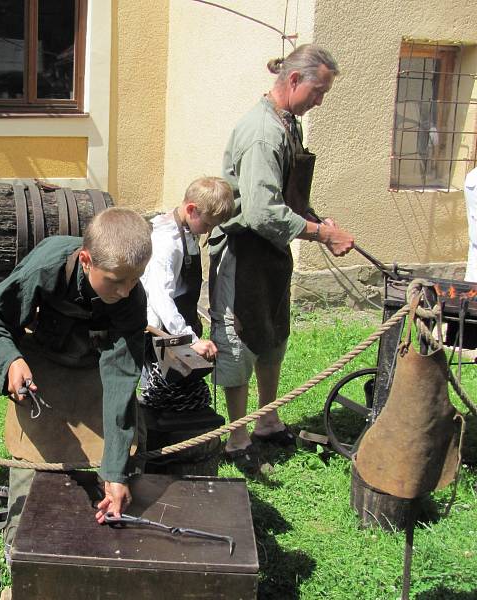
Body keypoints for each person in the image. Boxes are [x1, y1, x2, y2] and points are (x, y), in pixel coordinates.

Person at [0, 207, 152, 557]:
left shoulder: (131, 295)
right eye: (116, 280)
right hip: (39, 368)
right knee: (33, 470)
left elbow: (120, 378)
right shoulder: (45, 268)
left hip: (94, 372)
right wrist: (10, 362)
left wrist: (115, 471)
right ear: (86, 260)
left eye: (135, 279)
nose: (127, 290)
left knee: (121, 461)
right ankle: (19, 544)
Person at [208, 44, 355, 472]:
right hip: (244, 251)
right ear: (293, 81)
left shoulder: (288, 124)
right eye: (317, 91)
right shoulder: (263, 132)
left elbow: (283, 197)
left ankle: (267, 421)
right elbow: (258, 211)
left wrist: (311, 217)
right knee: (240, 340)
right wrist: (322, 234)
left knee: (273, 334)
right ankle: (237, 438)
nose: (319, 100)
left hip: (272, 251)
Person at [139, 176, 234, 412]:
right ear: (191, 210)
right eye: (208, 225)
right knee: (157, 398)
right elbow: (160, 298)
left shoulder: (185, 229)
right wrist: (189, 339)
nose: (209, 231)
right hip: (158, 333)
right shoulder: (165, 243)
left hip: (177, 323)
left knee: (180, 399)